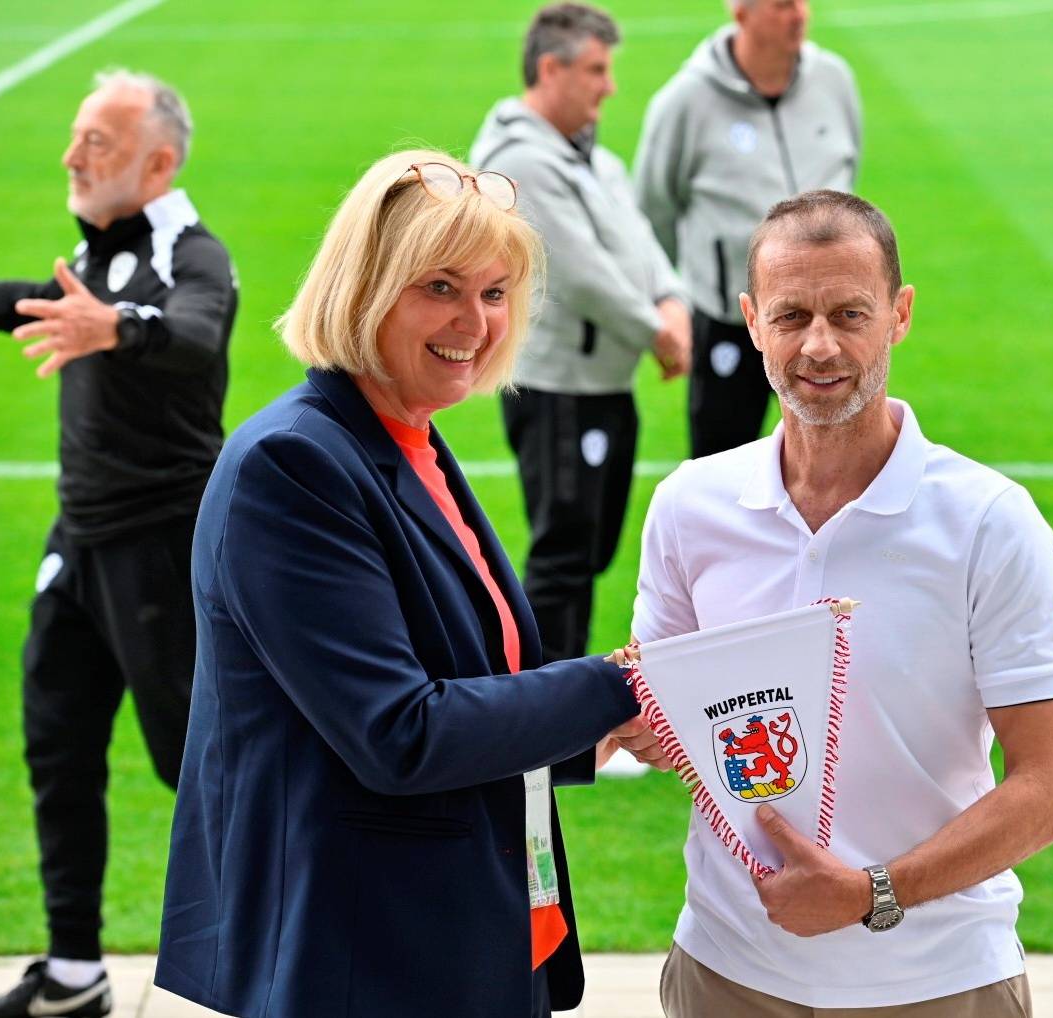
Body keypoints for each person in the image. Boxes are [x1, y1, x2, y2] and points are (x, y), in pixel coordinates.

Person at [152, 150, 665, 1018]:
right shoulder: (295, 464)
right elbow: (399, 731)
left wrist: (599, 731)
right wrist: (619, 682)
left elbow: (466, 681)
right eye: (440, 287)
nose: (475, 320)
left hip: (458, 940)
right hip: (363, 958)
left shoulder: (405, 435)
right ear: (364, 287)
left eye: (496, 293)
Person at [633, 191, 1053, 1015]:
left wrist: (870, 892)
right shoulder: (687, 505)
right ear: (749, 319)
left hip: (939, 980)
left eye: (849, 313)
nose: (818, 345)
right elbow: (667, 721)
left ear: (899, 315)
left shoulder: (987, 520)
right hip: (728, 973)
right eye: (791, 315)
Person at [0, 71, 236, 1018]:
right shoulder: (95, 256)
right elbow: (31, 301)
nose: (72, 158)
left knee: (196, 767)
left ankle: (279, 960)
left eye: (95, 144)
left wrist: (114, 327)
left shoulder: (192, 254)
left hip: (157, 551)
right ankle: (73, 975)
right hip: (76, 546)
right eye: (76, 139)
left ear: (157, 163)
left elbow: (196, 333)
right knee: (57, 746)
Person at [469, 2, 692, 667]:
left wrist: (671, 298)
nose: (608, 85)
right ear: (550, 68)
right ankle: (547, 726)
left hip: (599, 382)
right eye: (596, 70)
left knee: (584, 552)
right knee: (564, 556)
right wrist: (658, 330)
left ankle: (554, 714)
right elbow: (580, 272)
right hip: (559, 386)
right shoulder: (523, 163)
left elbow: (638, 237)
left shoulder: (587, 157)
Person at [634, 0, 862, 458]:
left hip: (831, 319)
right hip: (732, 322)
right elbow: (653, 209)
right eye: (781, 5)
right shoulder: (685, 101)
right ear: (741, 12)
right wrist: (670, 300)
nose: (799, 14)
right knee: (723, 464)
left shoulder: (834, 80)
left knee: (837, 459)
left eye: (801, 3)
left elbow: (849, 168)